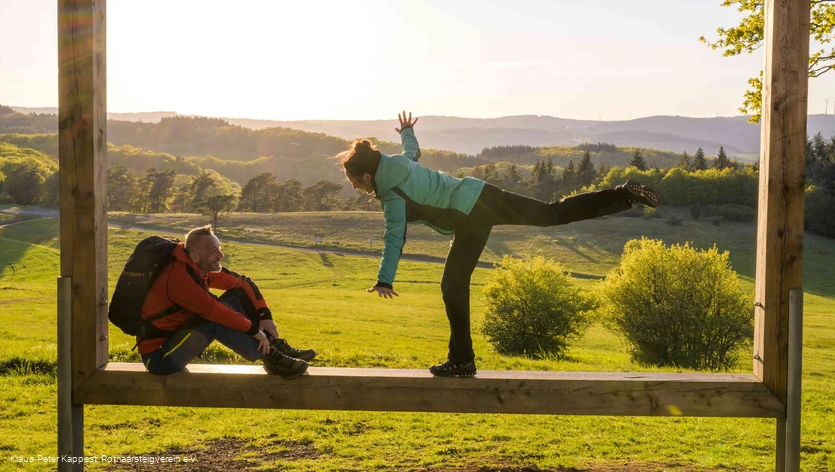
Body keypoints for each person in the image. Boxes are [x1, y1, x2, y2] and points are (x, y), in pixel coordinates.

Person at [337, 111, 659, 377]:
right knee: (551, 213)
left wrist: (384, 278)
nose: (354, 188)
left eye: (353, 181)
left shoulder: (391, 195)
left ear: (366, 176)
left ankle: (462, 359)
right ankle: (622, 194)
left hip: (469, 216)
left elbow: (395, 236)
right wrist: (407, 131)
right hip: (483, 193)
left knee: (452, 286)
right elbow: (412, 152)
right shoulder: (398, 164)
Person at [137, 225, 316, 378]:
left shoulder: (197, 269)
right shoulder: (179, 277)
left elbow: (243, 283)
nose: (221, 255)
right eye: (214, 251)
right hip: (160, 357)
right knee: (212, 320)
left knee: (237, 294)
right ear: (195, 256)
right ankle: (271, 358)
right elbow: (213, 310)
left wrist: (264, 315)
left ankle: (274, 346)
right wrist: (254, 331)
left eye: (219, 247)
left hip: (179, 339)